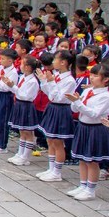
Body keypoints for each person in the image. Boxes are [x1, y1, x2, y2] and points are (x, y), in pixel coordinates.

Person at [66, 65, 109, 201]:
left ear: (105, 79)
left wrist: (78, 103)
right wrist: (75, 102)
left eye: (95, 76)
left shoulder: (106, 96)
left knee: (92, 160)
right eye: (91, 75)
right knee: (82, 158)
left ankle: (90, 189)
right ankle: (83, 185)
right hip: (83, 126)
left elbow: (94, 114)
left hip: (96, 129)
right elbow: (76, 108)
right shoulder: (89, 91)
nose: (91, 78)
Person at [34, 50, 77, 182]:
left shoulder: (69, 80)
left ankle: (57, 172)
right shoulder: (57, 75)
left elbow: (58, 97)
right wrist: (44, 80)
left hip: (61, 109)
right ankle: (51, 168)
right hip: (53, 107)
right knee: (50, 140)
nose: (53, 62)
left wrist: (51, 82)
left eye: (55, 60)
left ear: (63, 62)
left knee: (58, 142)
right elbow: (48, 93)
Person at [6, 56, 41, 167]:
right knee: (21, 131)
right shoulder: (23, 77)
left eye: (22, 64)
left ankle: (25, 157)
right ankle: (20, 153)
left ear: (27, 67)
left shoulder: (33, 81)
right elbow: (18, 92)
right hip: (20, 104)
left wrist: (14, 87)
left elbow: (26, 96)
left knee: (28, 132)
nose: (20, 66)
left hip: (26, 106)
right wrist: (10, 86)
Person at [0, 48, 18, 154]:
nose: (0, 61)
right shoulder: (1, 67)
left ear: (10, 61)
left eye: (3, 59)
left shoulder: (13, 72)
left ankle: (2, 145)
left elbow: (6, 87)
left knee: (3, 120)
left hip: (5, 96)